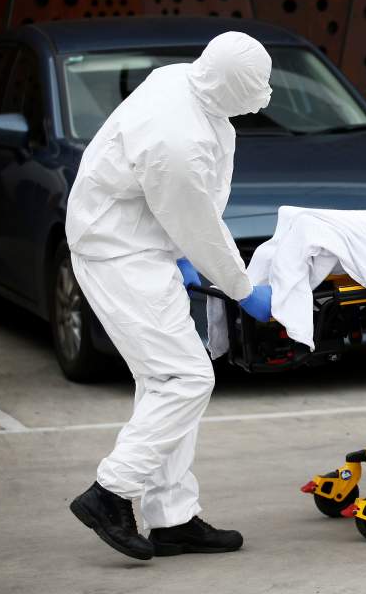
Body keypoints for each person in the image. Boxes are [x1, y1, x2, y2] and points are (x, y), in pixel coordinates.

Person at [66, 31, 275, 560]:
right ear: (231, 86)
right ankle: (110, 492)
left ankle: (173, 518)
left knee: (163, 382)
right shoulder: (176, 139)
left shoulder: (182, 79)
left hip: (137, 239)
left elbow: (181, 207)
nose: (261, 97)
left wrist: (178, 250)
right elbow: (198, 222)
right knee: (186, 378)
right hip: (118, 254)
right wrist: (244, 289)